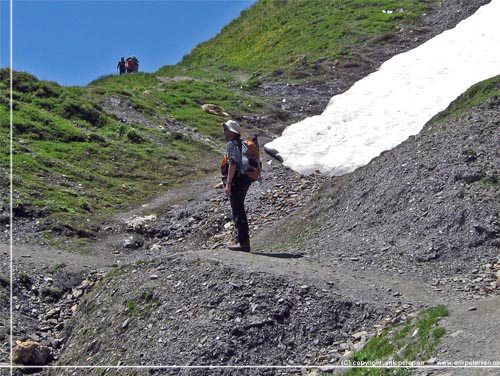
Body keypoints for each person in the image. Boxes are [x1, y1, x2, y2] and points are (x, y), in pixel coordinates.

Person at [221, 120, 252, 252]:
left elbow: (232, 164)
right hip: (245, 179)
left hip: (237, 181)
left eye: (226, 129)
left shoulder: (231, 144)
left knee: (237, 210)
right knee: (239, 208)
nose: (224, 132)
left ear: (232, 132)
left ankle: (243, 243)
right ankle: (243, 241)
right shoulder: (242, 144)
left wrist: (228, 184)